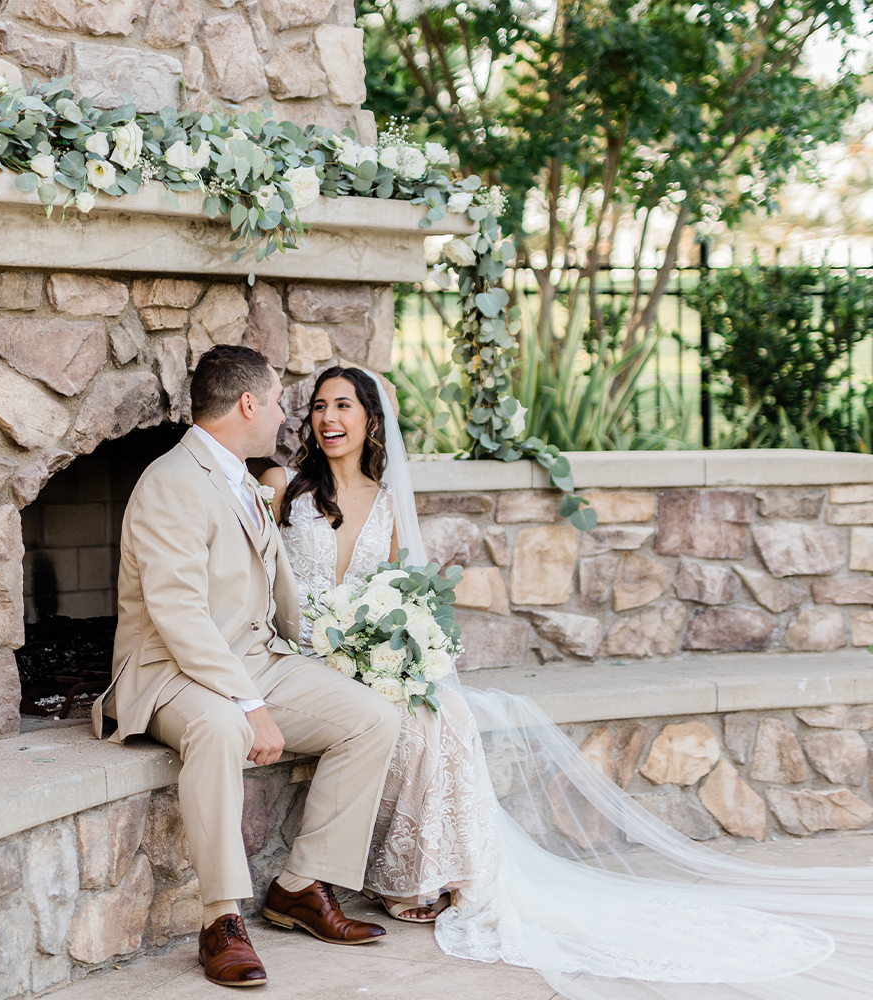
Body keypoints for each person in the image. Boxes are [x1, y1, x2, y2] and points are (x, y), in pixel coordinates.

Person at [261, 365, 873, 1000]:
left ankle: (423, 875)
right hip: (303, 651)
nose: (330, 419)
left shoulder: (389, 502)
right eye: (321, 408)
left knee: (443, 713)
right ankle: (399, 876)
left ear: (370, 419)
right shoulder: (286, 488)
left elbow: (398, 592)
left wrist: (410, 656)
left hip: (367, 652)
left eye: (344, 407)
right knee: (410, 716)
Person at [92, 345, 402, 989]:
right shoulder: (172, 483)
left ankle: (298, 885)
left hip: (256, 658)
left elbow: (272, 590)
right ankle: (220, 920)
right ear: (248, 404)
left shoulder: (245, 477)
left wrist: (318, 654)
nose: (290, 416)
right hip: (172, 671)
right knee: (224, 728)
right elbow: (178, 615)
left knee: (371, 717)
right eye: (282, 402)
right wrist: (250, 704)